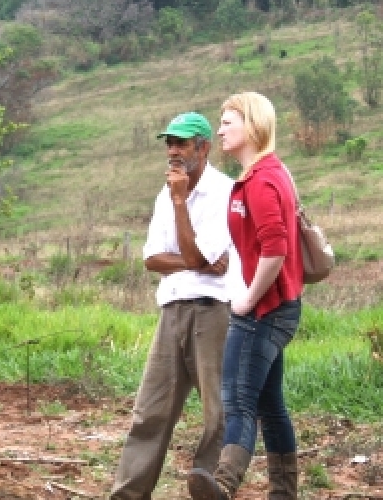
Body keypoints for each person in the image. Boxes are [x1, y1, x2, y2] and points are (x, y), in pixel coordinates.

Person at [110, 112, 238, 500]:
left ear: (204, 147)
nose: (173, 151)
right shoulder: (162, 194)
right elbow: (152, 259)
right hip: (172, 310)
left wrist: (181, 202)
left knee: (217, 410)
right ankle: (128, 494)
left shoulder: (225, 192)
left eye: (182, 143)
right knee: (150, 410)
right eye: (169, 143)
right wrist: (192, 260)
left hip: (212, 311)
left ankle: (210, 486)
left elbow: (200, 254)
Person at [187, 92, 303, 500]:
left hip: (265, 309)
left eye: (228, 122)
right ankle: (283, 493)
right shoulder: (270, 172)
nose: (219, 129)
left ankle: (223, 483)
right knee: (271, 404)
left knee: (238, 400)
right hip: (279, 306)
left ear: (252, 127)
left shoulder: (261, 181)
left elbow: (276, 248)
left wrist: (248, 299)